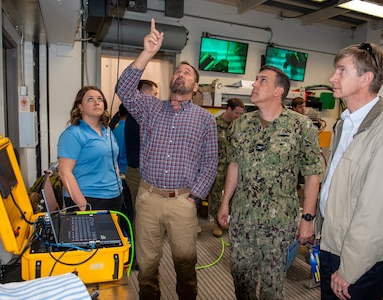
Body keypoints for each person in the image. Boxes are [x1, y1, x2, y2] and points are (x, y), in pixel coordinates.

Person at [115, 19, 218, 299]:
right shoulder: (150, 107)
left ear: (195, 86)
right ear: (171, 80)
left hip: (182, 202)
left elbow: (210, 162)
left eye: (187, 73)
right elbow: (123, 90)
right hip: (148, 199)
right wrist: (147, 52)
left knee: (185, 266)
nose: (181, 74)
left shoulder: (205, 120)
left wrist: (194, 197)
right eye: (178, 71)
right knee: (147, 266)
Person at [217, 65, 323, 299]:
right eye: (256, 79)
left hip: (278, 221)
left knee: (272, 285)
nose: (254, 84)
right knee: (241, 278)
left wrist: (307, 218)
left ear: (278, 91)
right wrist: (225, 203)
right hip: (243, 217)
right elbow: (234, 164)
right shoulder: (241, 125)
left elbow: (312, 174)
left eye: (262, 80)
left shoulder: (301, 126)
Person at [318, 43, 383, 300]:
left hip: (358, 260)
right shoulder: (344, 123)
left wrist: (350, 269)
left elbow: (377, 215)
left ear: (366, 79)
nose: (333, 77)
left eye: (342, 70)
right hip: (332, 244)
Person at [57, 86, 123, 212]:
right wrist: (83, 205)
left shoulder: (107, 130)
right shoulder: (73, 134)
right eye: (90, 99)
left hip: (114, 196)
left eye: (100, 99)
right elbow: (64, 172)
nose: (96, 102)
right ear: (80, 107)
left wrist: (118, 184)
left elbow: (112, 159)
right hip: (89, 199)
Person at [208, 97, 245, 238]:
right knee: (216, 195)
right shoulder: (214, 124)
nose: (239, 116)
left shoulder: (239, 126)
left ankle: (232, 221)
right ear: (228, 109)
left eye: (241, 114)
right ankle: (217, 223)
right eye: (237, 113)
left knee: (234, 195)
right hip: (218, 166)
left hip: (234, 166)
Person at [125, 79, 158, 211]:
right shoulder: (137, 116)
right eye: (155, 94)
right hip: (138, 171)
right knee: (141, 215)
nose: (157, 99)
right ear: (145, 95)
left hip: (144, 171)